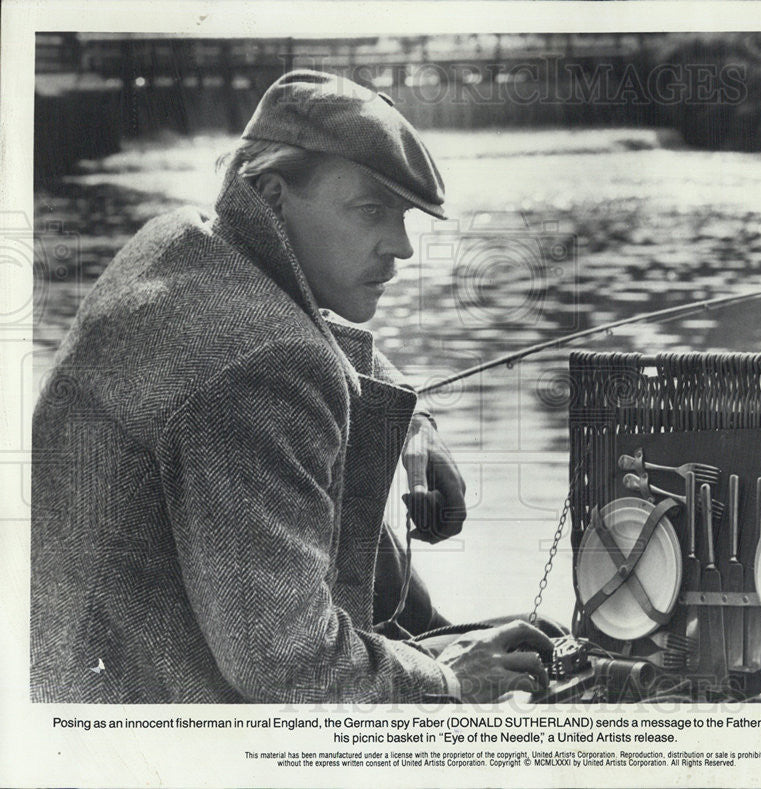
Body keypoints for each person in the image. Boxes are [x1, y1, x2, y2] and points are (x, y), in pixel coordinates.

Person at [30, 69, 553, 704]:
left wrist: (415, 430)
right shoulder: (266, 364)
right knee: (536, 658)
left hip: (77, 668)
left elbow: (304, 328)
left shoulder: (182, 245)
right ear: (275, 197)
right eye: (371, 211)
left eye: (405, 214)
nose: (404, 247)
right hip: (158, 723)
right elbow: (292, 668)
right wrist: (448, 680)